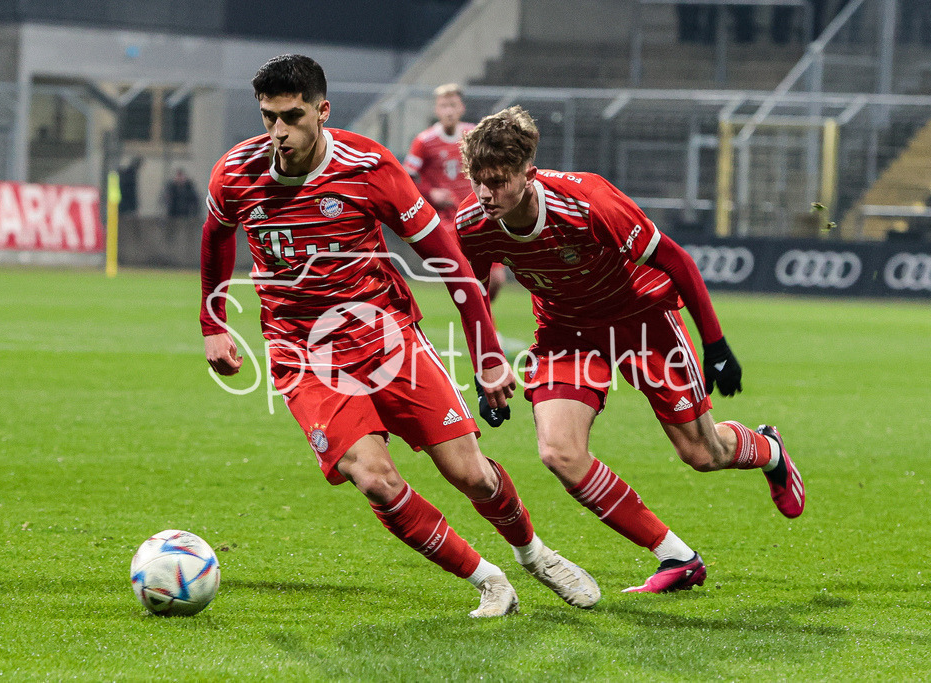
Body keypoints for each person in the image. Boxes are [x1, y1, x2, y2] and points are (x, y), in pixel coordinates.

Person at [199, 55, 601, 617]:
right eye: (269, 118)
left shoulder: (368, 167)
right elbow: (217, 234)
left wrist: (487, 356)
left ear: (322, 110)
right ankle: (489, 582)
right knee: (375, 480)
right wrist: (213, 323)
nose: (278, 133)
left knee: (471, 474)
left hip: (386, 338)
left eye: (292, 117)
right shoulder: (236, 172)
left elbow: (452, 263)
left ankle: (534, 555)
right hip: (301, 354)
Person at [454, 106, 806, 593]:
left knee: (703, 454)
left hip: (643, 323)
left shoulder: (589, 202)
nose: (485, 194)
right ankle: (677, 557)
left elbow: (676, 260)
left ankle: (768, 450)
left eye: (497, 181)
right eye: (477, 180)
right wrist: (486, 364)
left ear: (528, 174)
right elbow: (472, 290)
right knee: (559, 452)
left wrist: (716, 343)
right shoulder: (473, 222)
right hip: (567, 332)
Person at [404, 84, 507, 301]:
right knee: (472, 278)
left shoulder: (473, 136)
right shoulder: (424, 141)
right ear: (436, 110)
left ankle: (484, 324)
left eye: (453, 105)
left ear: (461, 108)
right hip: (449, 220)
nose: (448, 110)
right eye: (443, 106)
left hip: (480, 214)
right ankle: (485, 330)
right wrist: (432, 194)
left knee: (497, 280)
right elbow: (407, 179)